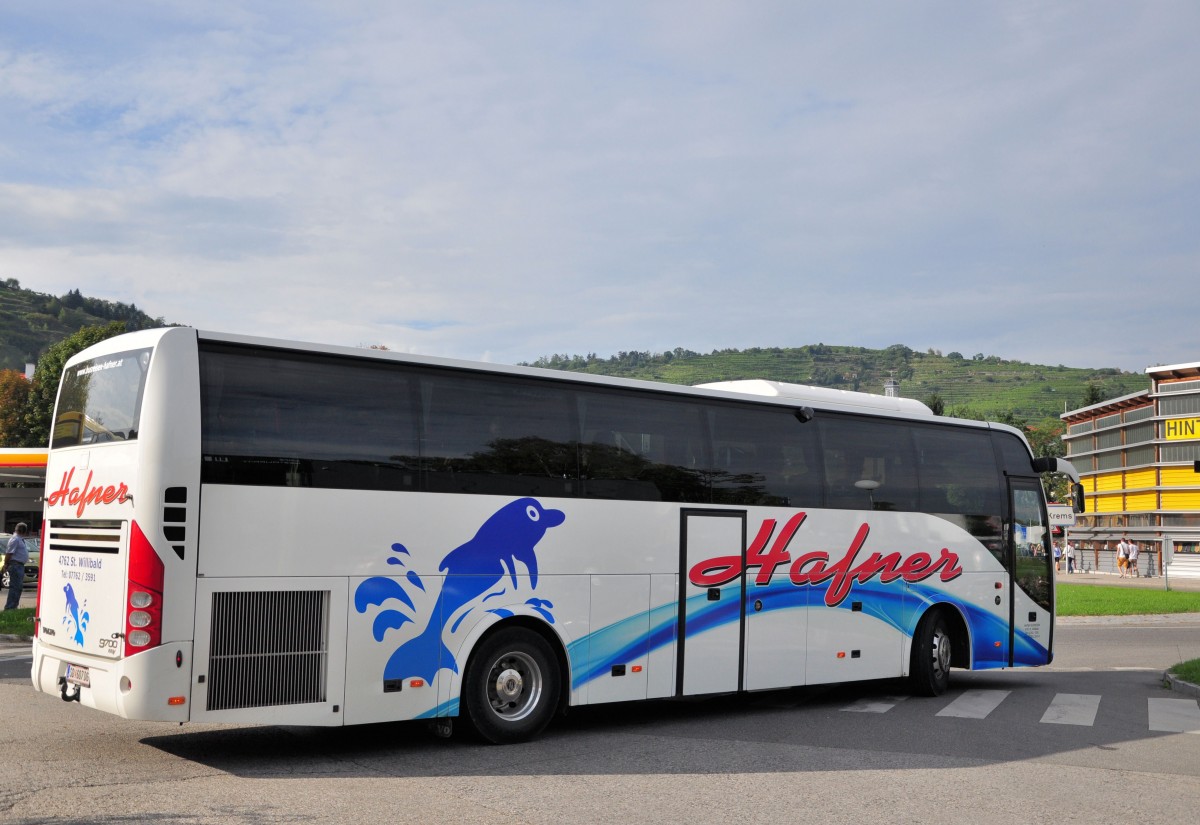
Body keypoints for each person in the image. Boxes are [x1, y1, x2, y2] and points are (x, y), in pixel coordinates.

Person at [2, 523, 30, 611]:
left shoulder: (19, 539)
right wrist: (6, 564)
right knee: (15, 587)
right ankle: (10, 607)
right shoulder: (15, 539)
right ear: (23, 531)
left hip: (19, 565)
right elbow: (9, 553)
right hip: (15, 565)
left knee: (18, 587)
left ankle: (13, 606)